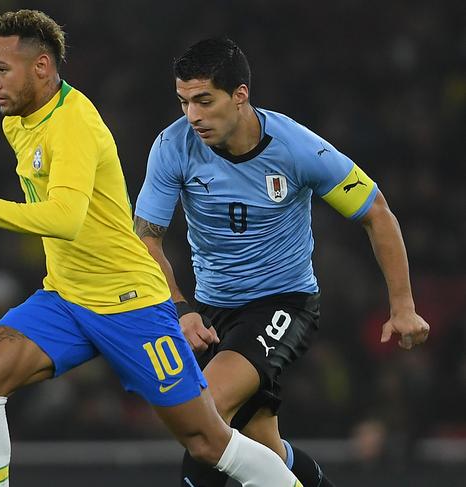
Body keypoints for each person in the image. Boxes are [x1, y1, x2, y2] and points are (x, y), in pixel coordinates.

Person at [0, 11, 303, 487]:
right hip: (66, 298)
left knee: (208, 440)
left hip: (131, 304)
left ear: (41, 67)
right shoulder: (18, 122)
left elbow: (65, 218)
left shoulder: (74, 123)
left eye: (1, 69)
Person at [134, 38, 431, 487]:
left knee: (203, 412)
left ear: (239, 95)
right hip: (212, 311)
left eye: (203, 100)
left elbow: (376, 213)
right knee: (262, 450)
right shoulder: (173, 146)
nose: (192, 116)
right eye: (183, 102)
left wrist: (403, 304)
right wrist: (181, 308)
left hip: (283, 303)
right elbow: (146, 239)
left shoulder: (295, 147)